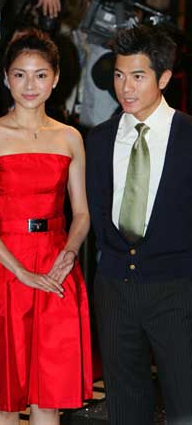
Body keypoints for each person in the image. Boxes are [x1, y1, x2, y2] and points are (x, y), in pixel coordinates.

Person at [0, 28, 93, 424]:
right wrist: (18, 271)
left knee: (48, 397)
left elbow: (81, 213)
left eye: (39, 74)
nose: (29, 85)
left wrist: (68, 253)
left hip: (55, 267)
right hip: (4, 267)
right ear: (5, 78)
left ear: (55, 78)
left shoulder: (69, 138)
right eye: (19, 74)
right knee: (5, 397)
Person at [86, 24, 192, 425]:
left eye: (138, 76)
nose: (125, 88)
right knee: (126, 408)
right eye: (118, 75)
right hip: (114, 291)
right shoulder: (98, 139)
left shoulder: (188, 135)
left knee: (185, 407)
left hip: (178, 291)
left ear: (163, 77)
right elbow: (97, 213)